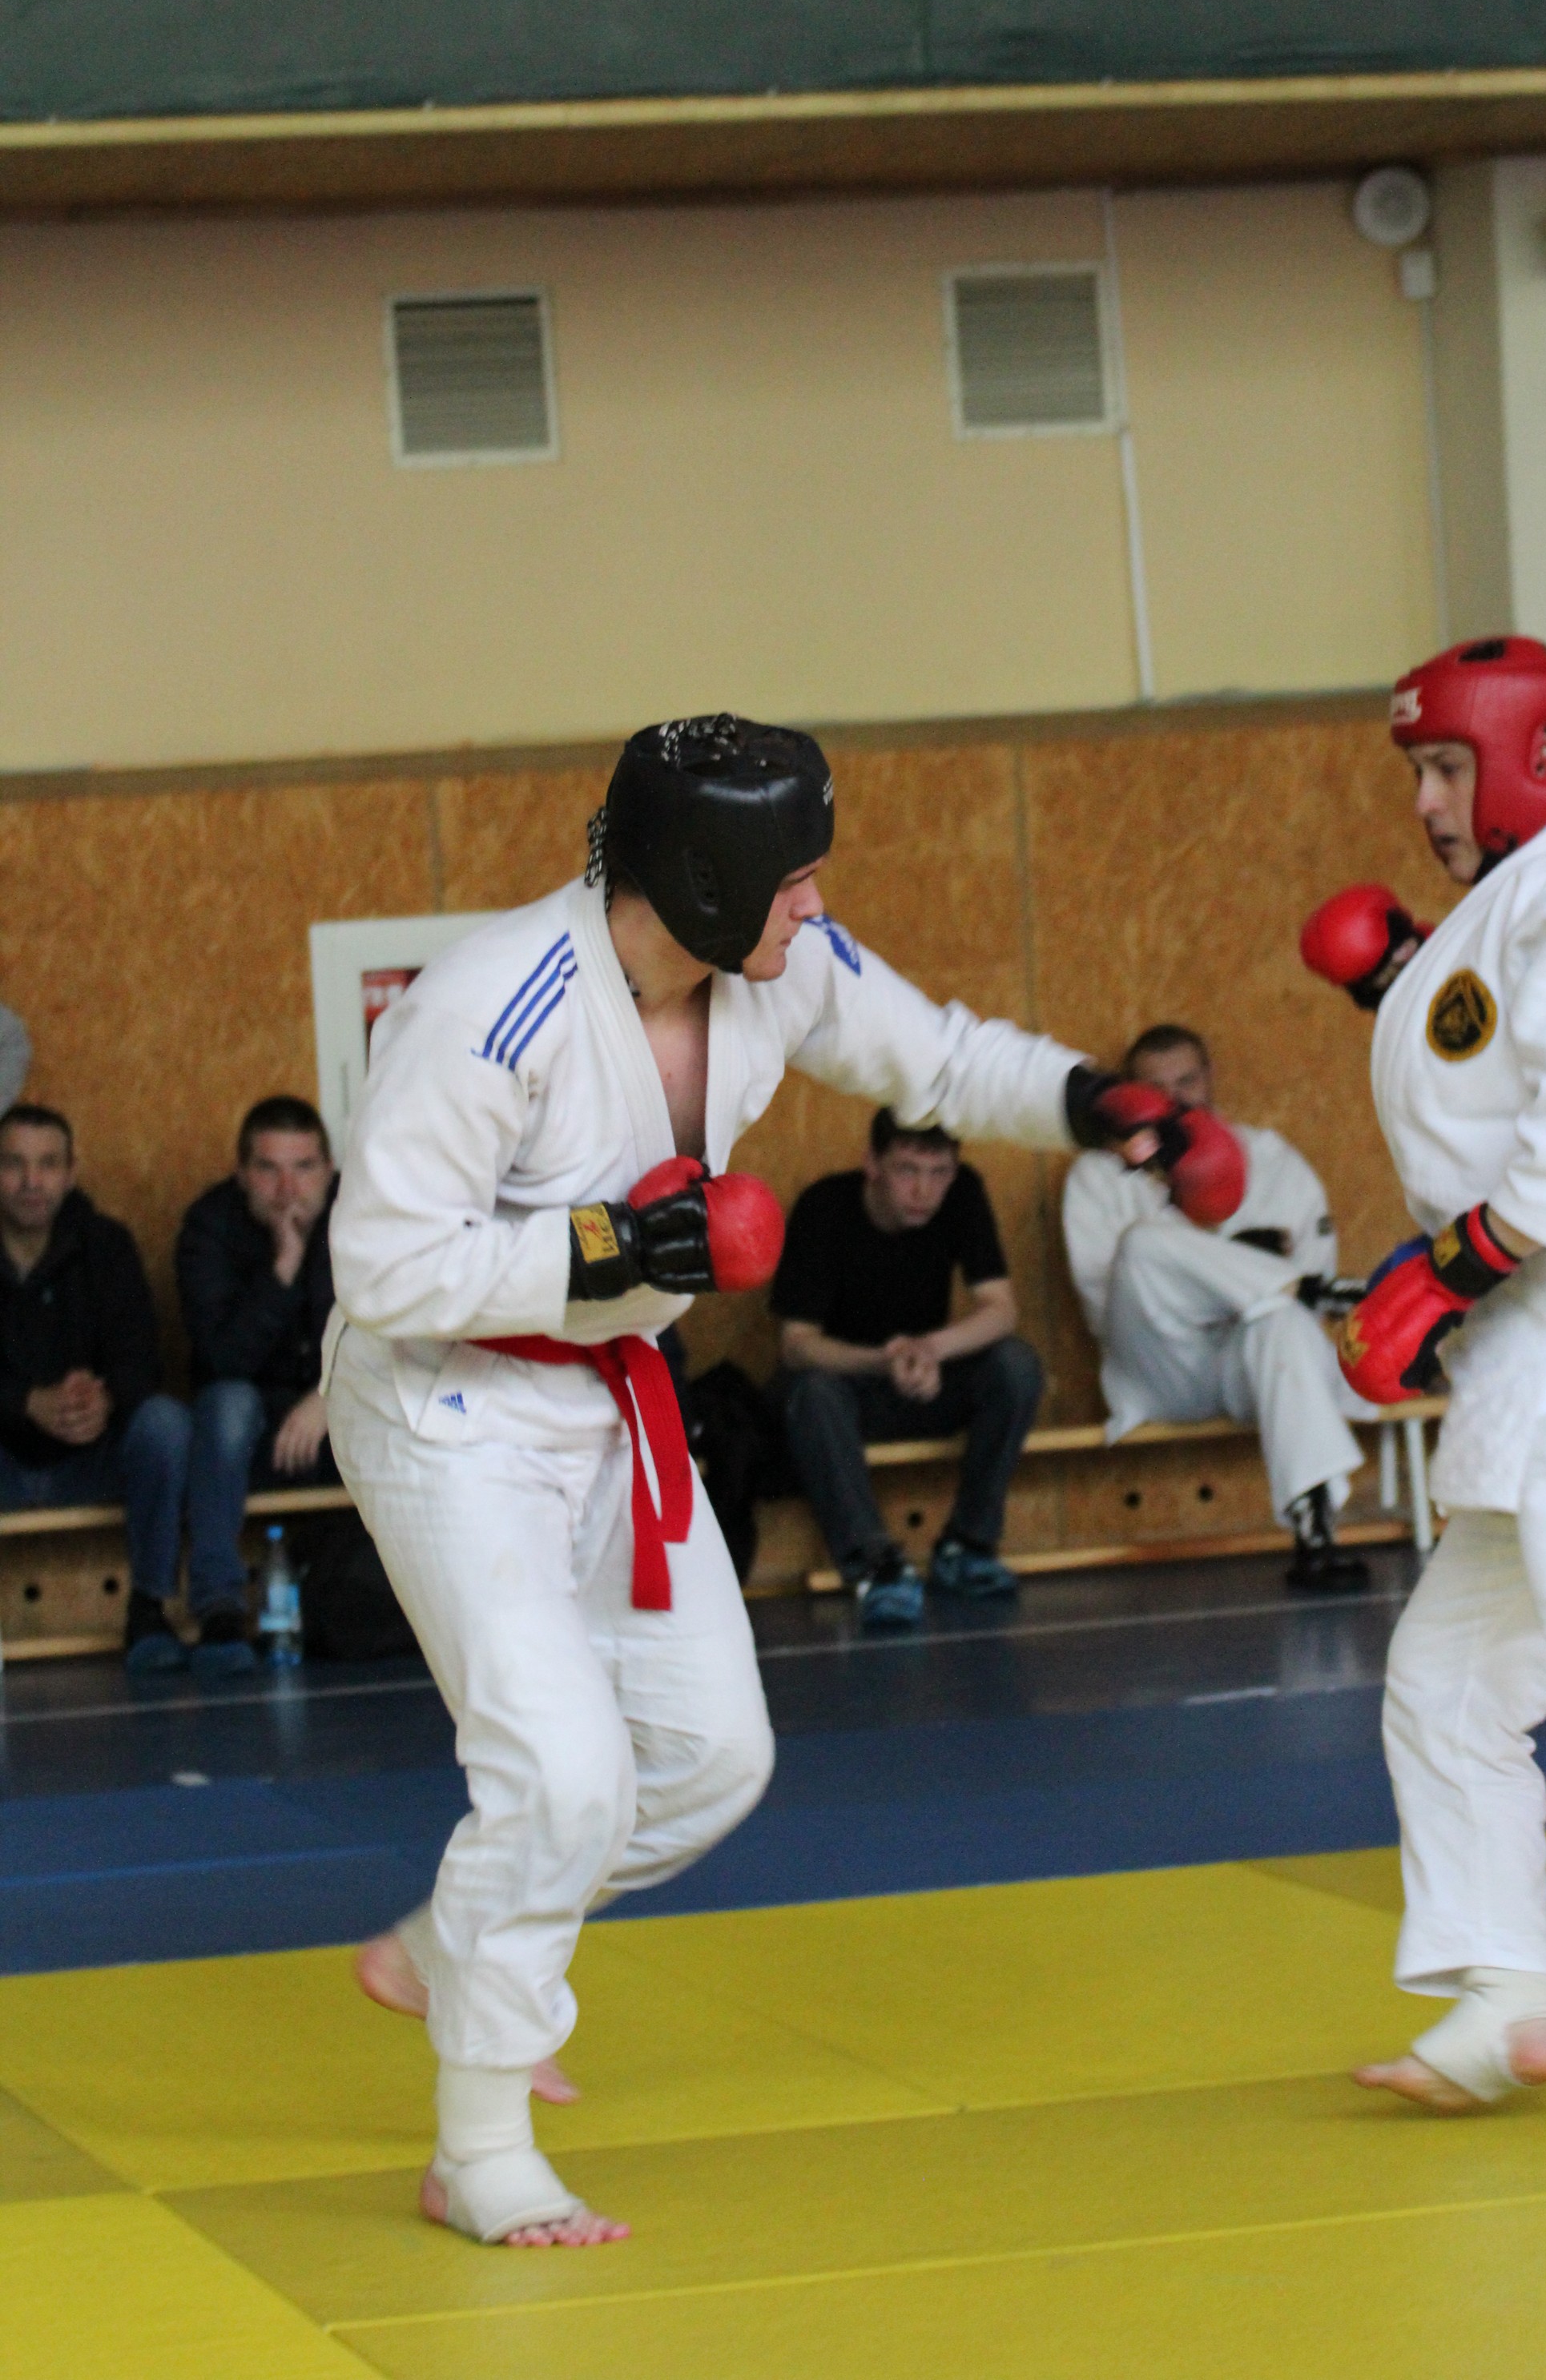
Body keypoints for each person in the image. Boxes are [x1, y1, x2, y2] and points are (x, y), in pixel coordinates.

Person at [324, 712, 1161, 2251]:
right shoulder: (491, 1007)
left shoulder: (785, 971)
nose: (814, 907)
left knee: (711, 1759)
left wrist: (1085, 1102)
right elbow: (378, 1265)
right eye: (789, 881)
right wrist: (601, 1249)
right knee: (560, 1771)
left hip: (608, 1397)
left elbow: (938, 1055)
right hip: (449, 1405)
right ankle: (479, 2147)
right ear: (700, 882)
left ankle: (455, 1944)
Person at [1304, 635, 1546, 2112]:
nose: (1427, 802)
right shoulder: (1521, 908)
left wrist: (1438, 1274)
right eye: (1416, 772)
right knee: (1448, 1684)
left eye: (1448, 767)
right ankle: (1503, 1994)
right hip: (1535, 1366)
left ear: (1541, 754)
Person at [1061, 1023, 1367, 1593]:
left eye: (1187, 1082)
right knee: (1143, 1246)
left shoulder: (1270, 1160)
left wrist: (1230, 1278)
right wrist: (1224, 1264)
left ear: (1209, 1079)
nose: (1175, 1100)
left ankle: (1315, 1525)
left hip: (1248, 1366)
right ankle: (1298, 1286)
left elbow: (1309, 1284)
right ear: (1131, 1095)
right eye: (1156, 1089)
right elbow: (1107, 1308)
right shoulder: (1097, 1178)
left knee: (1283, 1320)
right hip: (1161, 1368)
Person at [773, 1110, 1042, 1619]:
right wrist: (883, 1359)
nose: (924, 1190)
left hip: (928, 1380)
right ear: (872, 1164)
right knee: (809, 1391)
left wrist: (931, 1350)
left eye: (939, 1172)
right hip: (852, 1387)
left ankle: (968, 1544)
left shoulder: (962, 1193)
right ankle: (874, 1566)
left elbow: (1001, 1308)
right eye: (907, 1170)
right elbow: (797, 1343)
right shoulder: (824, 1207)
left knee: (1016, 1366)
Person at [0, 1104, 198, 1663]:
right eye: (13, 1164)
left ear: (71, 1172)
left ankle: (149, 1611)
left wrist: (104, 1399)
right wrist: (26, 1403)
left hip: (93, 1458)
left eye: (47, 1164)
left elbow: (142, 1361)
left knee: (165, 1423)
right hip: (6, 1459)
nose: (31, 1181)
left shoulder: (105, 1244)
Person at [169, 1096, 340, 1676]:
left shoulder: (361, 1215)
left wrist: (331, 1393)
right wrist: (284, 1266)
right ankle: (218, 1607)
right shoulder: (209, 1227)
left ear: (330, 1170)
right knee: (227, 1403)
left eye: (305, 1167)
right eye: (269, 1169)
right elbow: (223, 1360)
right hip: (248, 1436)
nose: (288, 1188)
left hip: (340, 1419)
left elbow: (398, 1332)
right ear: (242, 1173)